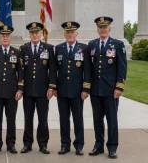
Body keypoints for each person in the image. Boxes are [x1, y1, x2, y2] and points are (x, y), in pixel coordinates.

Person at [88, 16, 127, 159]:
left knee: (112, 119)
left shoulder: (117, 44)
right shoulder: (92, 45)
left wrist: (119, 87)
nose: (102, 29)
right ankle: (98, 145)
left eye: (105, 27)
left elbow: (122, 67)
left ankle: (112, 147)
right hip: (96, 90)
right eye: (100, 27)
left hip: (111, 90)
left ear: (110, 29)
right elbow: (89, 67)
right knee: (97, 119)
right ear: (97, 29)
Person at [54, 21, 90, 156]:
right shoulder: (58, 48)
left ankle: (79, 145)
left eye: (72, 32)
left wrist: (86, 89)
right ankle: (65, 144)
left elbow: (87, 70)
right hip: (62, 91)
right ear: (64, 34)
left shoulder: (84, 49)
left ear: (76, 34)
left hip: (77, 91)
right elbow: (54, 70)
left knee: (78, 119)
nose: (70, 34)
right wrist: (54, 87)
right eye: (67, 32)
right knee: (64, 119)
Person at [19, 22, 56, 155]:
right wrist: (21, 87)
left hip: (42, 91)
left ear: (41, 34)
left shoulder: (49, 48)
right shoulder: (23, 49)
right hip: (28, 90)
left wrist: (51, 87)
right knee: (28, 118)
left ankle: (43, 144)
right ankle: (27, 144)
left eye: (37, 32)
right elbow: (21, 71)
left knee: (43, 119)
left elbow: (52, 70)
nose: (35, 35)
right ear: (29, 34)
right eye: (32, 33)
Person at [0, 25, 24, 154]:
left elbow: (21, 73)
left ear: (11, 37)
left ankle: (11, 144)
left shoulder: (17, 53)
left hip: (12, 93)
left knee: (11, 119)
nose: (5, 37)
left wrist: (20, 89)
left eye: (7, 35)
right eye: (3, 35)